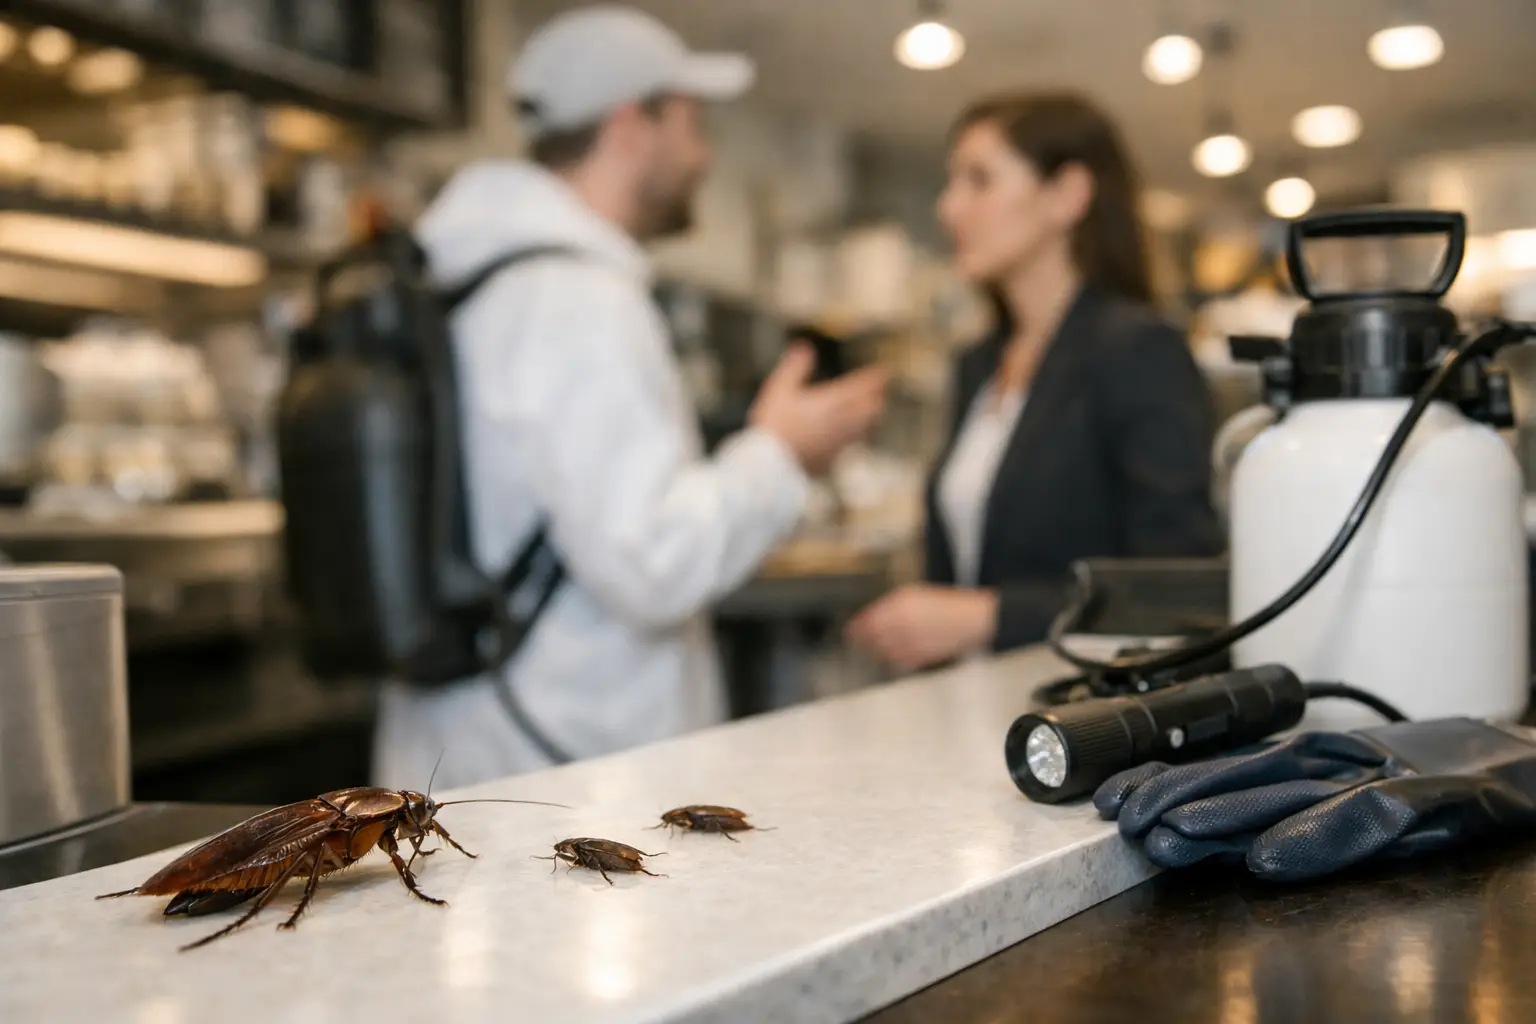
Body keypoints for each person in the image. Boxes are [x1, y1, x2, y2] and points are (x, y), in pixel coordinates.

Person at [372, 6, 886, 790]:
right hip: (566, 778)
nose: (705, 157)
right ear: (629, 126)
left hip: (483, 747)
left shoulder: (480, 276)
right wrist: (781, 451)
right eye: (691, 125)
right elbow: (652, 560)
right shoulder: (575, 297)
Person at [846, 92, 1221, 673]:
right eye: (952, 183)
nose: (948, 208)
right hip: (969, 711)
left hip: (1085, 723)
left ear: (1067, 194)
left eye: (980, 180)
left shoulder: (1139, 349)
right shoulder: (977, 364)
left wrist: (985, 617)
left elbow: (1180, 589)